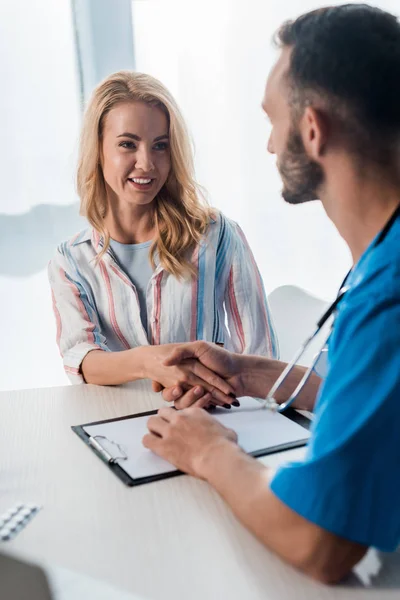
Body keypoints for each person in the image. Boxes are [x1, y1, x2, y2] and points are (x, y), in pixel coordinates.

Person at [144, 4, 400, 583]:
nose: (267, 144)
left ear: (313, 128)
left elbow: (318, 542)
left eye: (273, 119)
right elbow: (382, 397)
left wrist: (208, 451)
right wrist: (252, 373)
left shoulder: (389, 298)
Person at [48, 71, 278, 405]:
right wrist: (148, 361)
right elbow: (80, 360)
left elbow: (261, 355)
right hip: (116, 423)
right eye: (128, 144)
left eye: (160, 146)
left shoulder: (216, 235)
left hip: (215, 417)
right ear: (98, 149)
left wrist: (213, 394)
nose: (146, 164)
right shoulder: (70, 260)